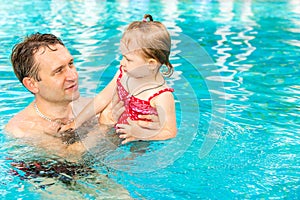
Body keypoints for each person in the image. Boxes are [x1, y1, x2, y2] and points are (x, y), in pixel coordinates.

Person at [60, 14, 177, 144]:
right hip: (113, 127)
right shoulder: (124, 73)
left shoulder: (161, 95)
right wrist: (75, 124)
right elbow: (102, 98)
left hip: (139, 141)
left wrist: (140, 135)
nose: (122, 62)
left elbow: (170, 131)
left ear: (150, 64)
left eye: (128, 59)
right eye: (123, 56)